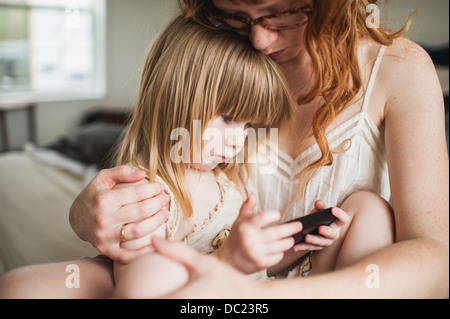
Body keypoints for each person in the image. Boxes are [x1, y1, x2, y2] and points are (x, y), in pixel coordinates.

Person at [0, 0, 448, 298]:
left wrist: (272, 261)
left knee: (369, 209)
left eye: (284, 13)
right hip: (204, 290)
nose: (260, 40)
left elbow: (435, 255)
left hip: (296, 284)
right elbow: (142, 282)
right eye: (238, 15)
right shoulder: (219, 56)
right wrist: (84, 214)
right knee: (24, 287)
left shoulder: (400, 71)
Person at [111, 14, 303, 298]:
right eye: (227, 118)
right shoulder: (145, 195)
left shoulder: (226, 179)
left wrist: (298, 243)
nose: (238, 141)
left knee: (365, 208)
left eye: (248, 125)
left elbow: (257, 270)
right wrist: (225, 261)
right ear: (175, 97)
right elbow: (136, 289)